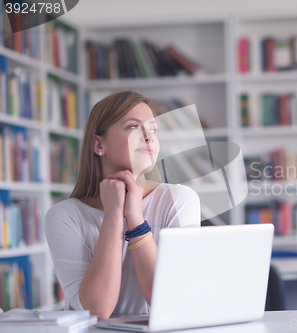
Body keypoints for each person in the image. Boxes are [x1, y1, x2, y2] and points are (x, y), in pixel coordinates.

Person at [44, 91, 201, 319]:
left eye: (154, 130)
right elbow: (97, 311)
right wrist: (113, 215)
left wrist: (134, 216)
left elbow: (170, 300)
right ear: (99, 145)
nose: (149, 137)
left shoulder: (179, 200)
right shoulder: (64, 216)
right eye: (133, 127)